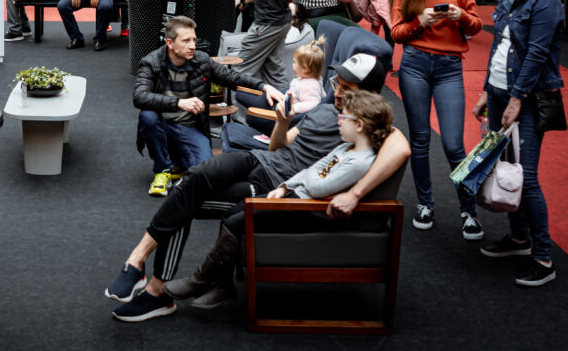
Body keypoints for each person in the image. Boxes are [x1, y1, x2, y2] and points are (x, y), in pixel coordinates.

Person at [105, 53, 409, 321]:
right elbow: (280, 147)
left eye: (347, 87)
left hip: (276, 186)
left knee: (187, 197)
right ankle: (138, 261)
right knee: (193, 179)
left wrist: (355, 194)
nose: (338, 91)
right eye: (336, 83)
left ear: (368, 95)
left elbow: (401, 149)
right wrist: (282, 122)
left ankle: (157, 291)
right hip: (261, 160)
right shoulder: (327, 109)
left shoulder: (367, 123)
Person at [159, 90, 395, 313]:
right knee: (234, 210)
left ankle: (199, 279)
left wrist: (303, 182)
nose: (339, 120)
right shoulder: (346, 147)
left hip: (309, 212)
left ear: (360, 125)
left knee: (236, 222)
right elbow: (312, 171)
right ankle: (223, 286)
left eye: (344, 117)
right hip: (296, 197)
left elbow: (316, 184)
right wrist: (285, 186)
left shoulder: (360, 162)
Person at [474, 0, 564, 287]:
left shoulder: (546, 1)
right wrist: (486, 90)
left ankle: (543, 257)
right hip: (498, 93)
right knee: (505, 168)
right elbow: (498, 47)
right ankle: (518, 239)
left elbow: (538, 55)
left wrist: (516, 98)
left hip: (525, 100)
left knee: (526, 178)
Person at [390, 0, 484, 239]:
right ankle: (425, 203)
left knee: (454, 144)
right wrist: (421, 22)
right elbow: (397, 33)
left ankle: (468, 210)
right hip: (415, 64)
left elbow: (477, 25)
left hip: (449, 68)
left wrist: (461, 17)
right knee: (419, 139)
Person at [134, 16, 285, 198]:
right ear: (170, 43)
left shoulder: (201, 60)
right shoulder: (151, 62)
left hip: (190, 128)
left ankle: (178, 164)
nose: (193, 45)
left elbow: (233, 78)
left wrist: (264, 86)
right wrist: (179, 103)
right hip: (162, 126)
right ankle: (162, 170)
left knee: (206, 174)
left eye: (194, 40)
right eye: (186, 40)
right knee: (148, 116)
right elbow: (139, 96)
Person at [285, 37, 328, 116]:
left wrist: (292, 108)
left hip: (292, 117)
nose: (293, 64)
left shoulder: (309, 86)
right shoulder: (315, 80)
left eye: (295, 62)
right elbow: (323, 96)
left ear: (305, 68)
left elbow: (313, 103)